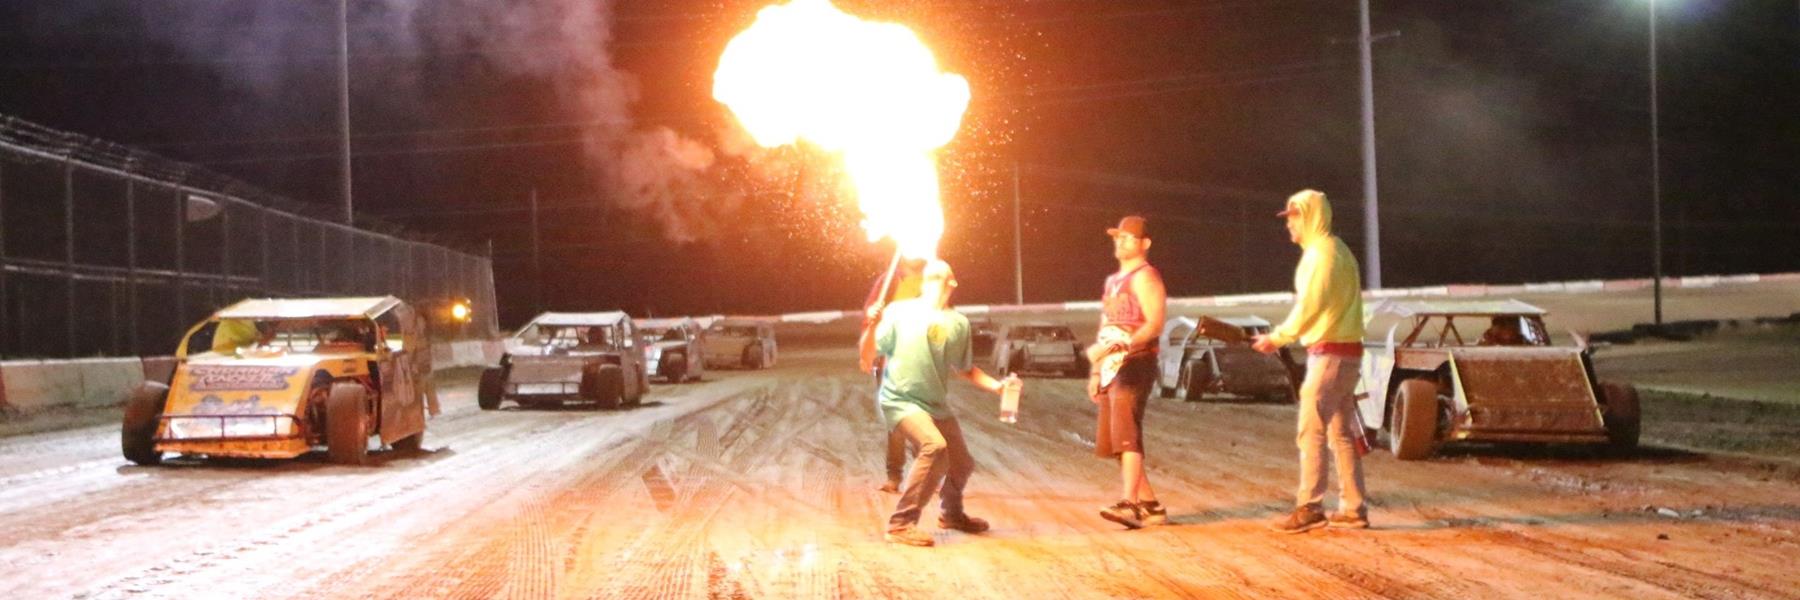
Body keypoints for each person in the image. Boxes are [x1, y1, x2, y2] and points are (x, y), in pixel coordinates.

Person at [859, 259, 1015, 547]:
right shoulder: (898, 311)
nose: (931, 280)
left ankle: (951, 514)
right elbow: (867, 357)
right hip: (899, 399)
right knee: (935, 446)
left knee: (962, 463)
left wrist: (998, 386)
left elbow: (965, 368)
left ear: (952, 283)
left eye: (939, 277)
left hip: (934, 404)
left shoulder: (957, 323)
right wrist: (871, 325)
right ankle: (901, 524)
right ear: (923, 283)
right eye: (929, 277)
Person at [1251, 189, 1371, 533]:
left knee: (1311, 431)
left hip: (1329, 354)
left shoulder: (1320, 255)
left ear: (1309, 216)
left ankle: (1310, 506)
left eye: (1293, 216)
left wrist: (1278, 337)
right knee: (1341, 433)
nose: (1289, 224)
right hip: (1347, 354)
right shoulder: (1341, 251)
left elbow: (1310, 307)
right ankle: (1353, 508)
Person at [1086, 215, 1169, 529]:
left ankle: (1130, 504)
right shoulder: (1113, 282)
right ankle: (1151, 505)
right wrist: (1097, 372)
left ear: (1144, 244)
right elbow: (1106, 327)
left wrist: (1126, 346)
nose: (1120, 242)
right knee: (1116, 441)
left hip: (1135, 363)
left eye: (1127, 237)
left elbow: (1155, 323)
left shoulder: (1146, 277)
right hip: (1112, 365)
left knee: (1127, 435)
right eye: (1117, 237)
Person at [861, 257, 926, 494]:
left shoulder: (933, 280)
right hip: (890, 362)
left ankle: (927, 476)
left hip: (921, 361)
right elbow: (870, 316)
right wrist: (867, 351)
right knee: (896, 423)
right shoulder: (887, 282)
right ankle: (894, 477)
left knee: (925, 419)